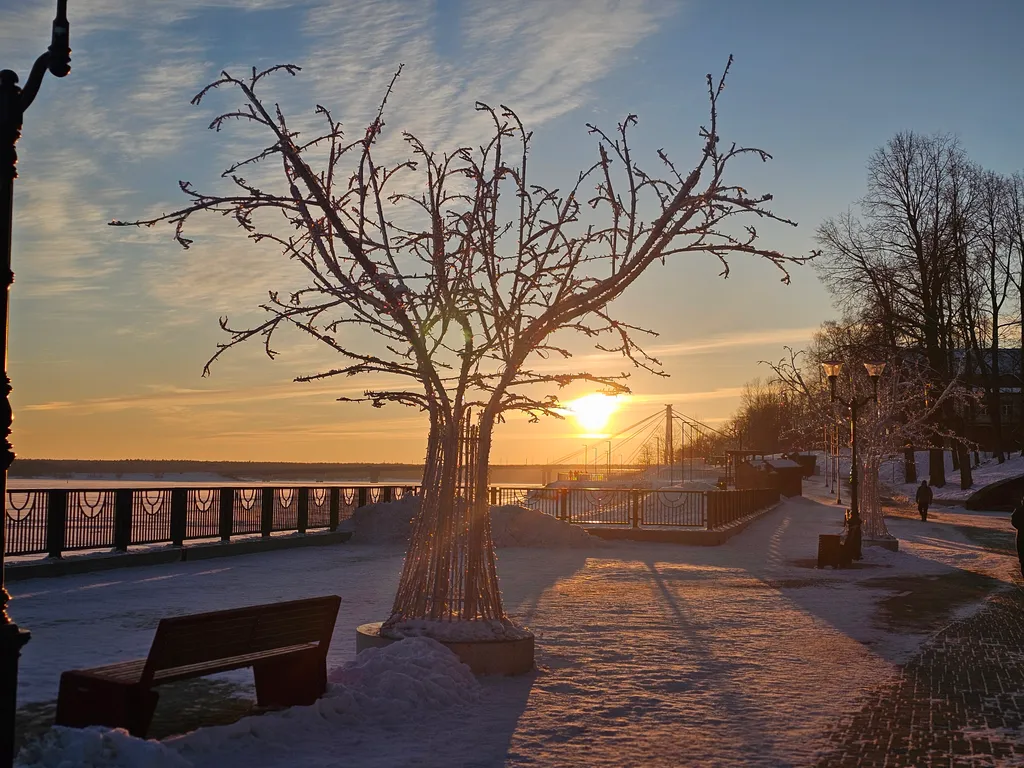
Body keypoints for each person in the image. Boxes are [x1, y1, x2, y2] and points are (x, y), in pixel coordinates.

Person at [1012, 498, 1024, 578]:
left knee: (1023, 558)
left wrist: (1021, 527)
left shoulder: (1019, 510)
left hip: (1022, 536)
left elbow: (1014, 522)